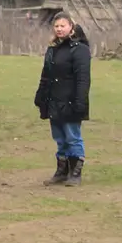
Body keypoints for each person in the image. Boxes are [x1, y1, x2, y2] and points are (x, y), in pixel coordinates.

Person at [35, 13, 91, 186]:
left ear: (71, 27)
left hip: (71, 100)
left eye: (63, 26)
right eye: (56, 26)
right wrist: (40, 96)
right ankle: (62, 171)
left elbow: (83, 78)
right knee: (59, 137)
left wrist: (80, 101)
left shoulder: (80, 49)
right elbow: (46, 75)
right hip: (54, 100)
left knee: (72, 136)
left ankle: (75, 173)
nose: (59, 29)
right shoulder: (53, 49)